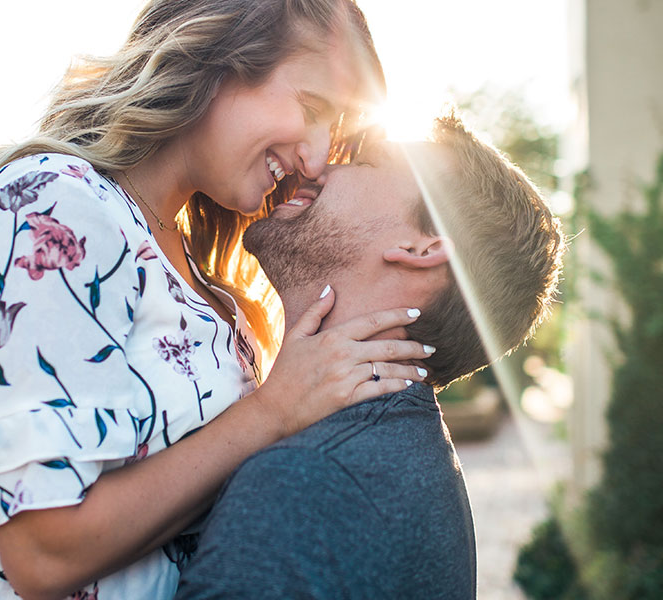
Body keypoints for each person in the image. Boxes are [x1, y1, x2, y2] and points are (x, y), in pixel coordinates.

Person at [0, 1, 434, 599]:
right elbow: (42, 553)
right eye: (313, 108)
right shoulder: (57, 207)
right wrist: (273, 410)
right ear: (218, 60)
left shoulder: (196, 272)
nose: (317, 158)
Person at [175, 112, 565, 598]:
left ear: (419, 248)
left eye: (366, 162)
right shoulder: (401, 453)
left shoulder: (309, 482)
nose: (318, 167)